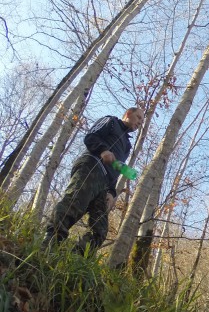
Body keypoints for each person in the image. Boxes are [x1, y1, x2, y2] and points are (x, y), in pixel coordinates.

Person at [44, 107, 144, 254]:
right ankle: (48, 245)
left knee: (100, 230)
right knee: (73, 204)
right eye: (139, 117)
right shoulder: (111, 121)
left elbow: (117, 168)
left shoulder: (127, 146)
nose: (140, 122)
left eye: (142, 121)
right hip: (91, 165)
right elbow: (91, 136)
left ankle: (73, 257)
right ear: (128, 114)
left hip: (105, 184)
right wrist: (103, 150)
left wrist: (111, 192)